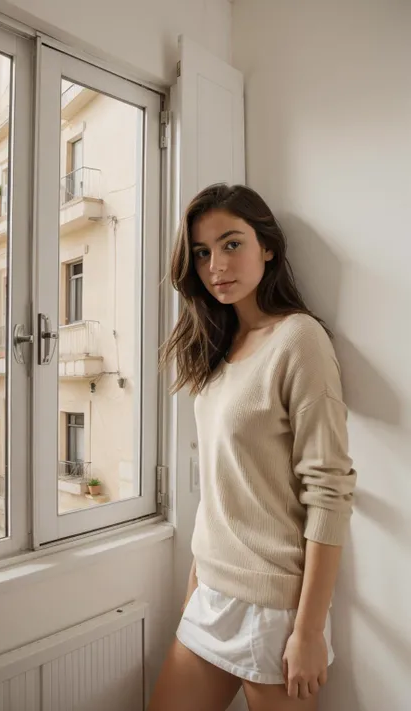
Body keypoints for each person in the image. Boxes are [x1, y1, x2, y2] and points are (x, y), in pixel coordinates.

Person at [148, 184, 357, 711]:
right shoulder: (217, 350)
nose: (216, 264)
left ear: (267, 247)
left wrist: (307, 633)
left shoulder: (299, 340)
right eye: (202, 252)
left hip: (275, 608)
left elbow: (329, 493)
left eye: (231, 243)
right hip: (211, 594)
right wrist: (196, 583)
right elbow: (220, 482)